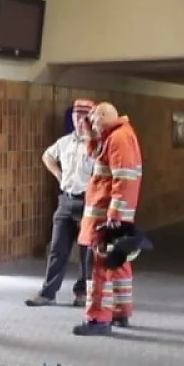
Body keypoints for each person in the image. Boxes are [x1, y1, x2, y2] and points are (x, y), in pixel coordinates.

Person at [73, 102, 142, 336]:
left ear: (104, 116)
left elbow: (124, 178)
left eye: (94, 120)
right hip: (113, 213)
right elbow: (95, 154)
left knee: (100, 265)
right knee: (118, 261)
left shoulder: (118, 139)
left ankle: (98, 319)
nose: (92, 123)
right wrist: (90, 134)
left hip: (106, 214)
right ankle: (121, 312)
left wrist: (115, 214)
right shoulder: (117, 135)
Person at [25, 99, 96, 307]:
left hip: (88, 202)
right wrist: (58, 174)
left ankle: (83, 292)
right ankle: (48, 292)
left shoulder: (96, 144)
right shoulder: (65, 142)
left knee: (87, 252)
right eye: (76, 116)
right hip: (66, 200)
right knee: (57, 248)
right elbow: (47, 156)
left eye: (83, 117)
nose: (79, 121)